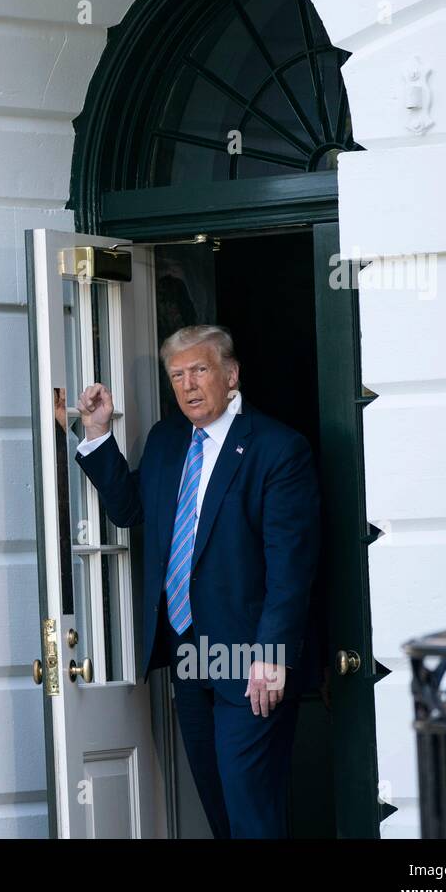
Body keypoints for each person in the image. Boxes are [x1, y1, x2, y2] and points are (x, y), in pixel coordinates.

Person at [74, 324, 320, 838]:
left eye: (200, 370)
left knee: (252, 810)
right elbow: (130, 509)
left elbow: (290, 567)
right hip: (189, 653)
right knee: (219, 809)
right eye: (177, 375)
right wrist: (97, 433)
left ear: (230, 374)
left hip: (252, 661)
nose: (188, 385)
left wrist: (272, 655)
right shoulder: (167, 440)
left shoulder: (278, 449)